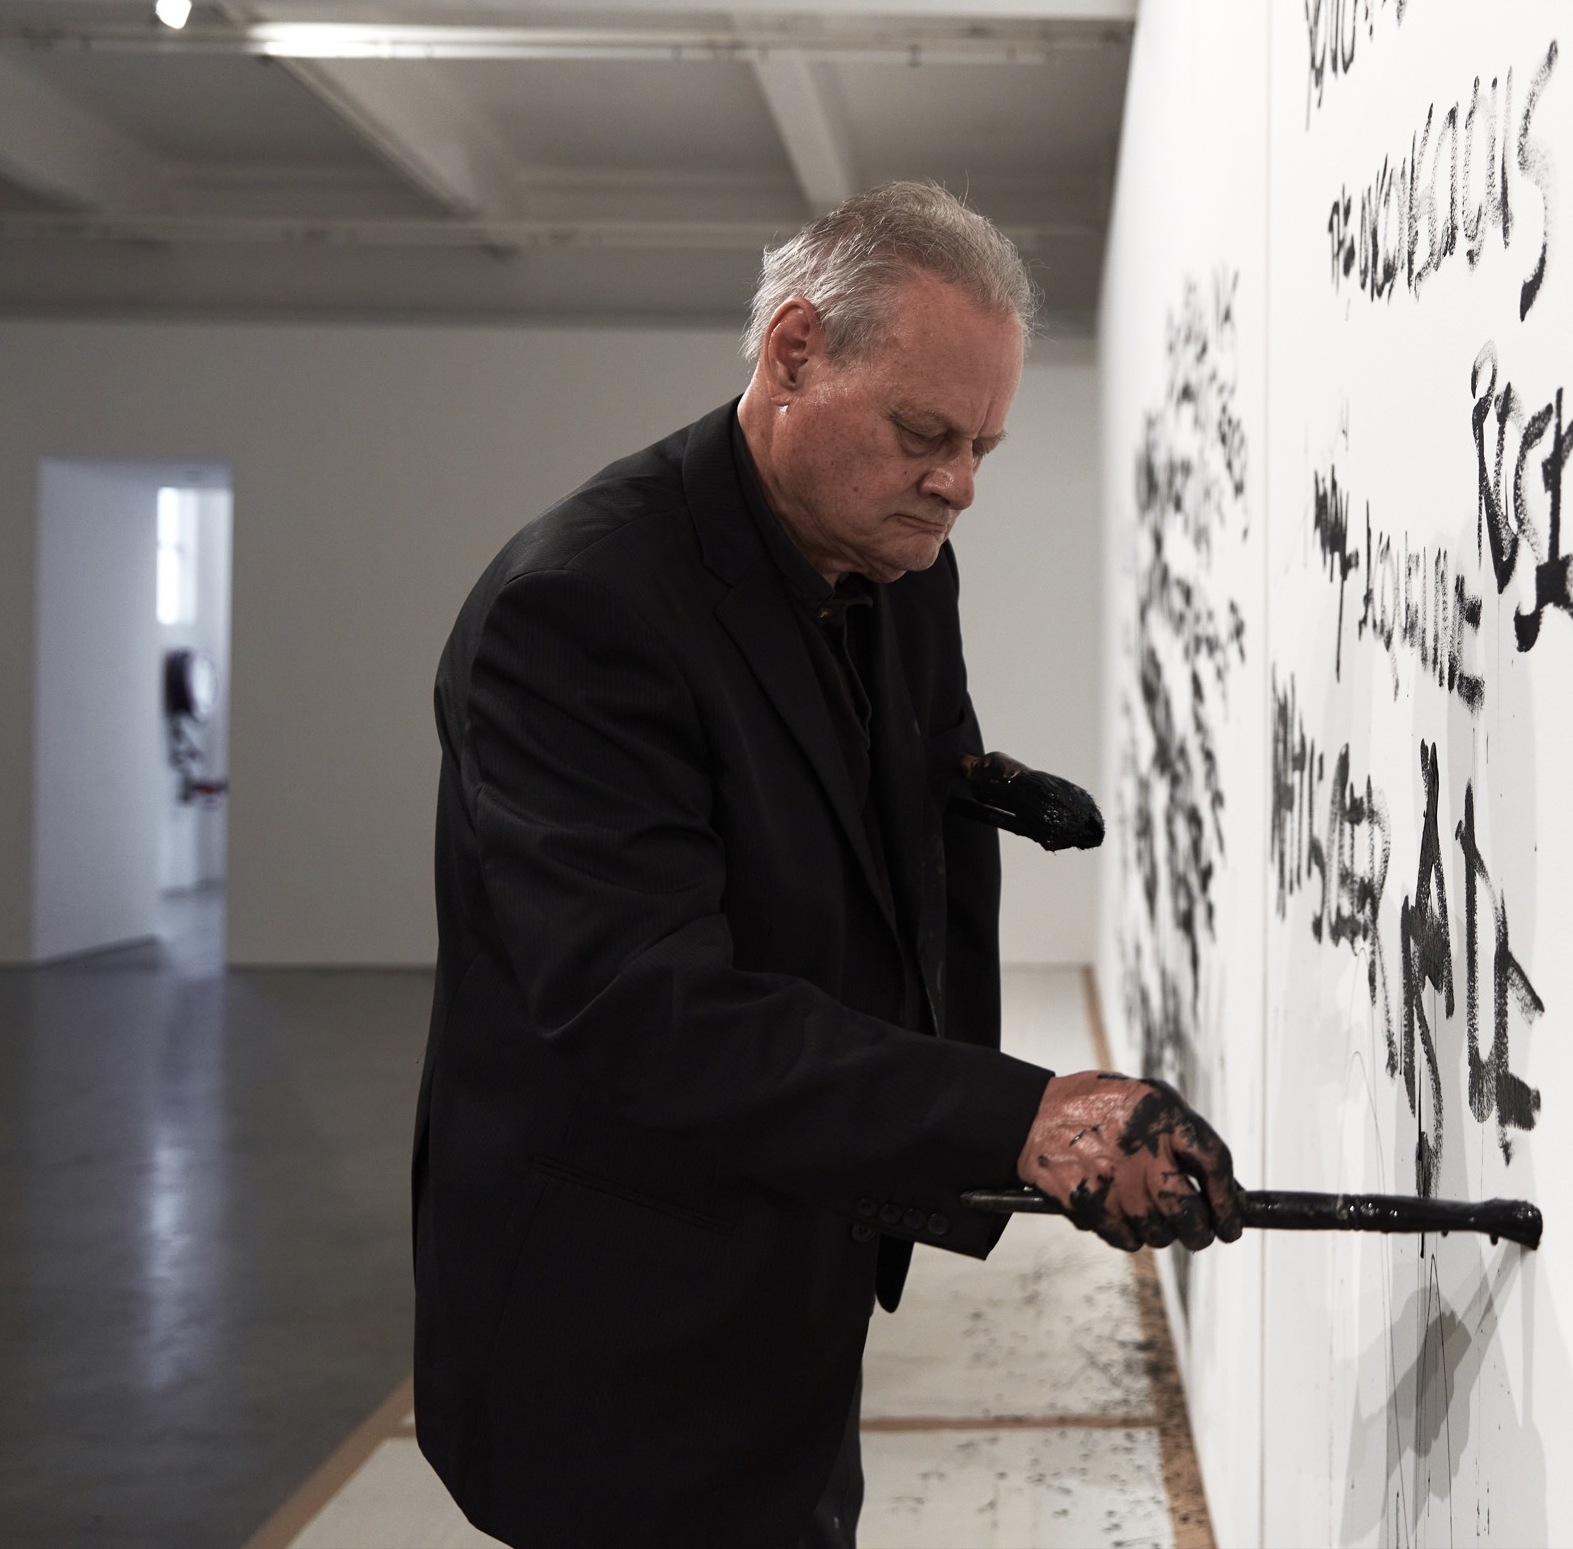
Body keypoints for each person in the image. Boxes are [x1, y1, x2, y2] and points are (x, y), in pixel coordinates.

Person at [412, 182, 1245, 1548]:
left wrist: (977, 787)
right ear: (794, 353)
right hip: (618, 1310)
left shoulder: (896, 559)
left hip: (794, 1239)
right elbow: (649, 1009)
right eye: (926, 435)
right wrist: (1021, 1118)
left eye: (982, 447)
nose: (959, 485)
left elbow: (870, 772)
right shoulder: (578, 609)